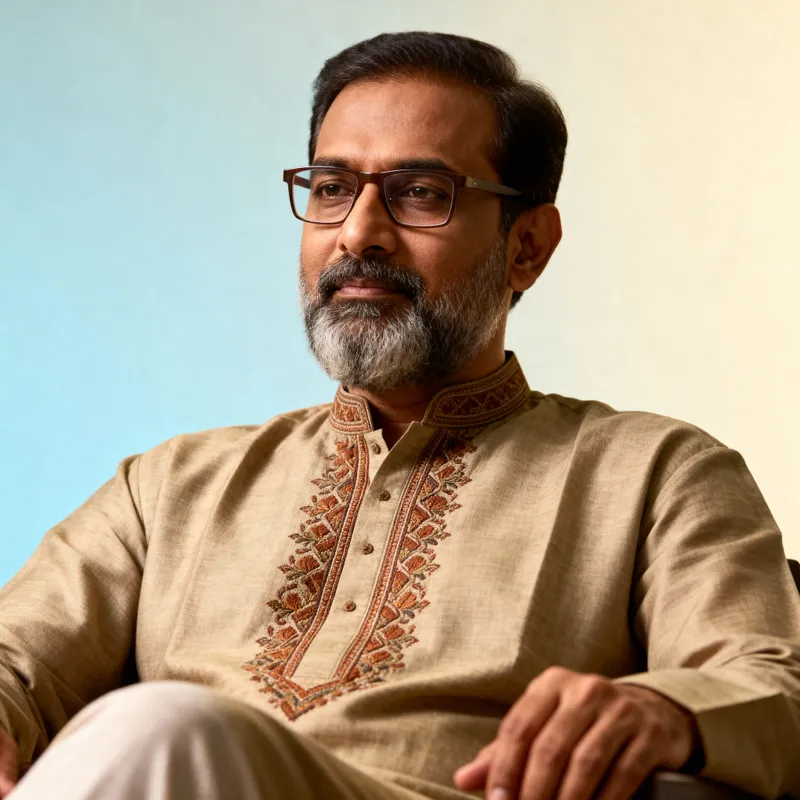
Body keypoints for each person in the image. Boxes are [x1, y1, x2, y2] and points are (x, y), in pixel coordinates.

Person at [1, 30, 798, 800]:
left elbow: (771, 688)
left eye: (420, 193)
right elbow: (16, 660)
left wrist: (664, 709)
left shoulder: (655, 474)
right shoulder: (172, 486)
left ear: (528, 245)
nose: (360, 233)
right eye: (332, 188)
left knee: (164, 729)